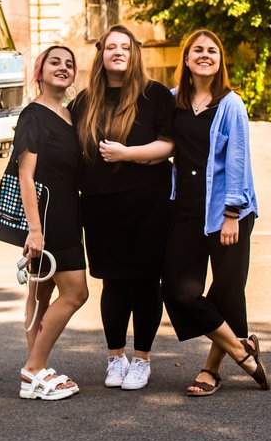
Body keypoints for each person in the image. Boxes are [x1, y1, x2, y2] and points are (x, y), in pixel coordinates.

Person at [161, 29, 267, 396]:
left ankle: (210, 371)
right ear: (186, 59)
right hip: (186, 208)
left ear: (220, 60)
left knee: (226, 290)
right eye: (197, 50)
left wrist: (232, 213)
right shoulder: (172, 100)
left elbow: (238, 159)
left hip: (227, 211)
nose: (205, 55)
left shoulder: (230, 104)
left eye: (212, 50)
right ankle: (242, 348)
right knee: (177, 289)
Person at [70, 26, 175, 390]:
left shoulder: (155, 95)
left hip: (149, 204)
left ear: (135, 53)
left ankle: (142, 360)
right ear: (100, 54)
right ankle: (115, 358)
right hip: (101, 207)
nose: (118, 52)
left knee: (146, 283)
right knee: (113, 284)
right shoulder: (84, 101)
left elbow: (168, 145)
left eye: (125, 46)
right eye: (110, 47)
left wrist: (128, 154)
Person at [13, 46, 89, 401]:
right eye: (54, 62)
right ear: (39, 71)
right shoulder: (33, 116)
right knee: (75, 292)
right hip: (47, 219)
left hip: (68, 214)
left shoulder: (71, 114)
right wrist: (35, 229)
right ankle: (35, 366)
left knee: (41, 293)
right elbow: (26, 176)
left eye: (68, 64)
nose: (63, 67)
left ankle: (35, 372)